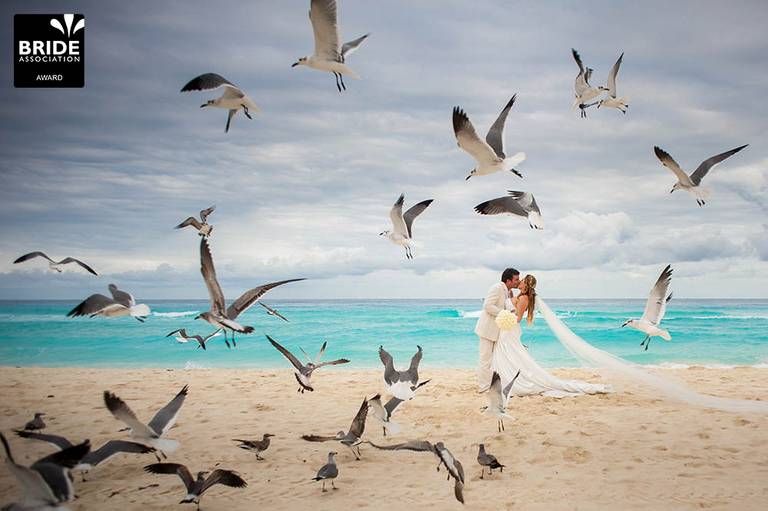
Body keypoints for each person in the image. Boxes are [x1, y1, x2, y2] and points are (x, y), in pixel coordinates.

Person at [491, 274, 612, 397]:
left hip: (510, 329)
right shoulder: (519, 296)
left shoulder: (524, 298)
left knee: (512, 354)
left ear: (526, 285)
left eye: (521, 280)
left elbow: (518, 318)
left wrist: (504, 317)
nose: (519, 282)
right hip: (506, 328)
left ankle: (512, 380)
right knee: (510, 355)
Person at [474, 268, 519, 393]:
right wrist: (504, 313)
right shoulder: (497, 288)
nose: (518, 282)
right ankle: (483, 387)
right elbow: (488, 306)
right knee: (485, 359)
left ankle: (491, 383)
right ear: (508, 280)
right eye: (516, 279)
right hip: (487, 330)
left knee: (494, 359)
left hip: (497, 331)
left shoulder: (509, 292)